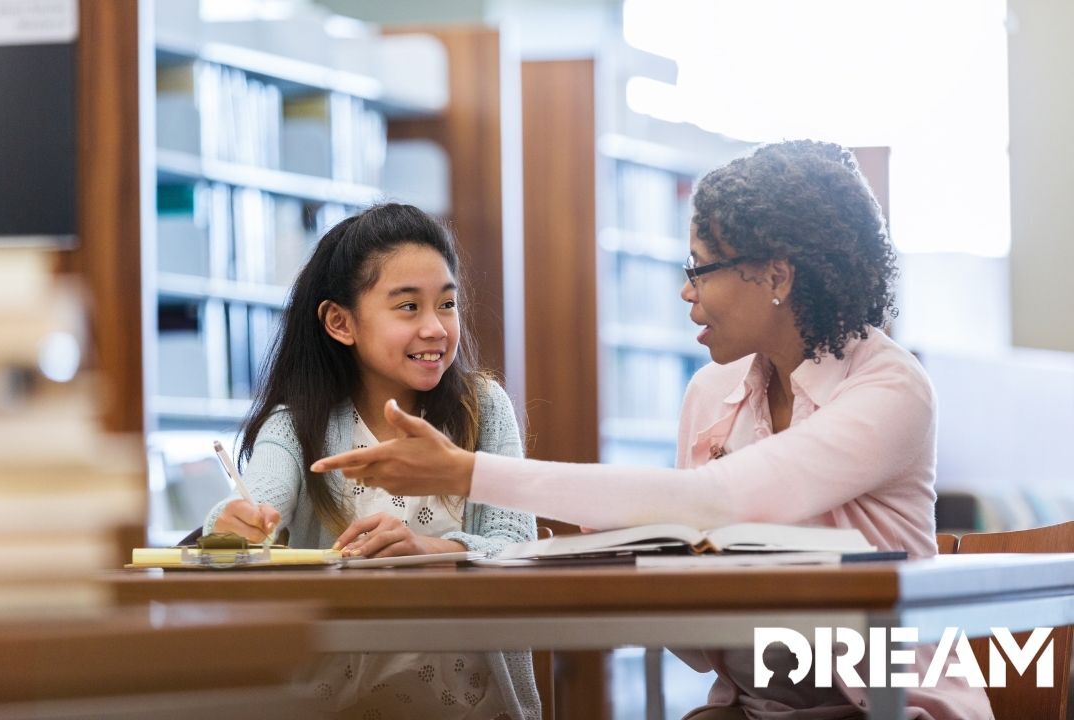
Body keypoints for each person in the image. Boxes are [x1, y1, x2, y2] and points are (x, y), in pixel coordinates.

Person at [311, 142, 993, 720]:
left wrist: (466, 471)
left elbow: (720, 501)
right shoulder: (712, 393)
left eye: (700, 267)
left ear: (776, 276)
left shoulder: (891, 389)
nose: (685, 291)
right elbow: (698, 634)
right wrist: (636, 551)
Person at [203, 203, 540, 720]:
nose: (435, 328)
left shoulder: (483, 408)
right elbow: (259, 499)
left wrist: (427, 550)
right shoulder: (297, 426)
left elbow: (518, 547)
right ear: (340, 322)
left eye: (447, 305)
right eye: (408, 307)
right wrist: (236, 528)